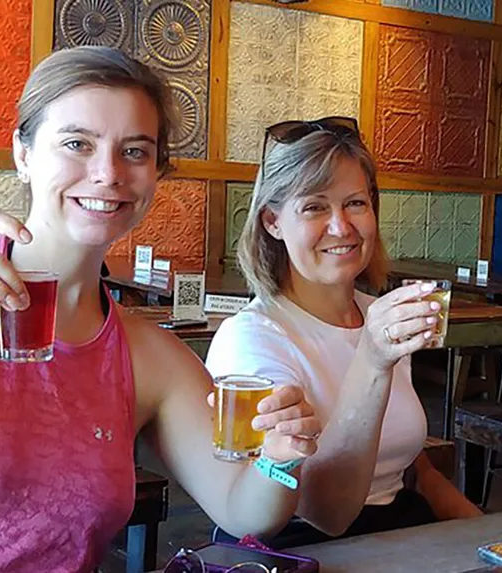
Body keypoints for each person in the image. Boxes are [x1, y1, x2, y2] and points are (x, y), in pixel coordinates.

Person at [0, 46, 320, 573]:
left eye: (135, 152)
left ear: (156, 173)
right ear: (23, 154)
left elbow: (243, 511)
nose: (108, 173)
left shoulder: (148, 356)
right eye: (77, 143)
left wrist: (281, 459)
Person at [204, 117, 482, 549]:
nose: (341, 227)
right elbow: (326, 512)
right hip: (302, 548)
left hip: (399, 536)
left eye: (355, 204)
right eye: (315, 207)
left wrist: (487, 534)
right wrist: (374, 357)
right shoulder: (251, 339)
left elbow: (414, 470)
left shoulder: (376, 315)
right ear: (273, 222)